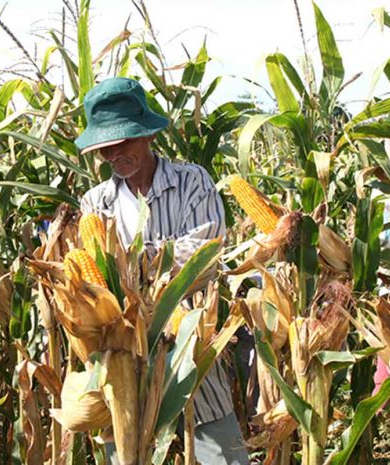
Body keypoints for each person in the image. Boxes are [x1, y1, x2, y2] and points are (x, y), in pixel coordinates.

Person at [75, 77, 249, 465]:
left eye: (123, 142)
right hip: (122, 370)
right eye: (105, 148)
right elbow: (95, 286)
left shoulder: (192, 182)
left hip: (189, 354)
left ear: (148, 134)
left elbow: (205, 253)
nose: (114, 154)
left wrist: (133, 261)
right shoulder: (95, 203)